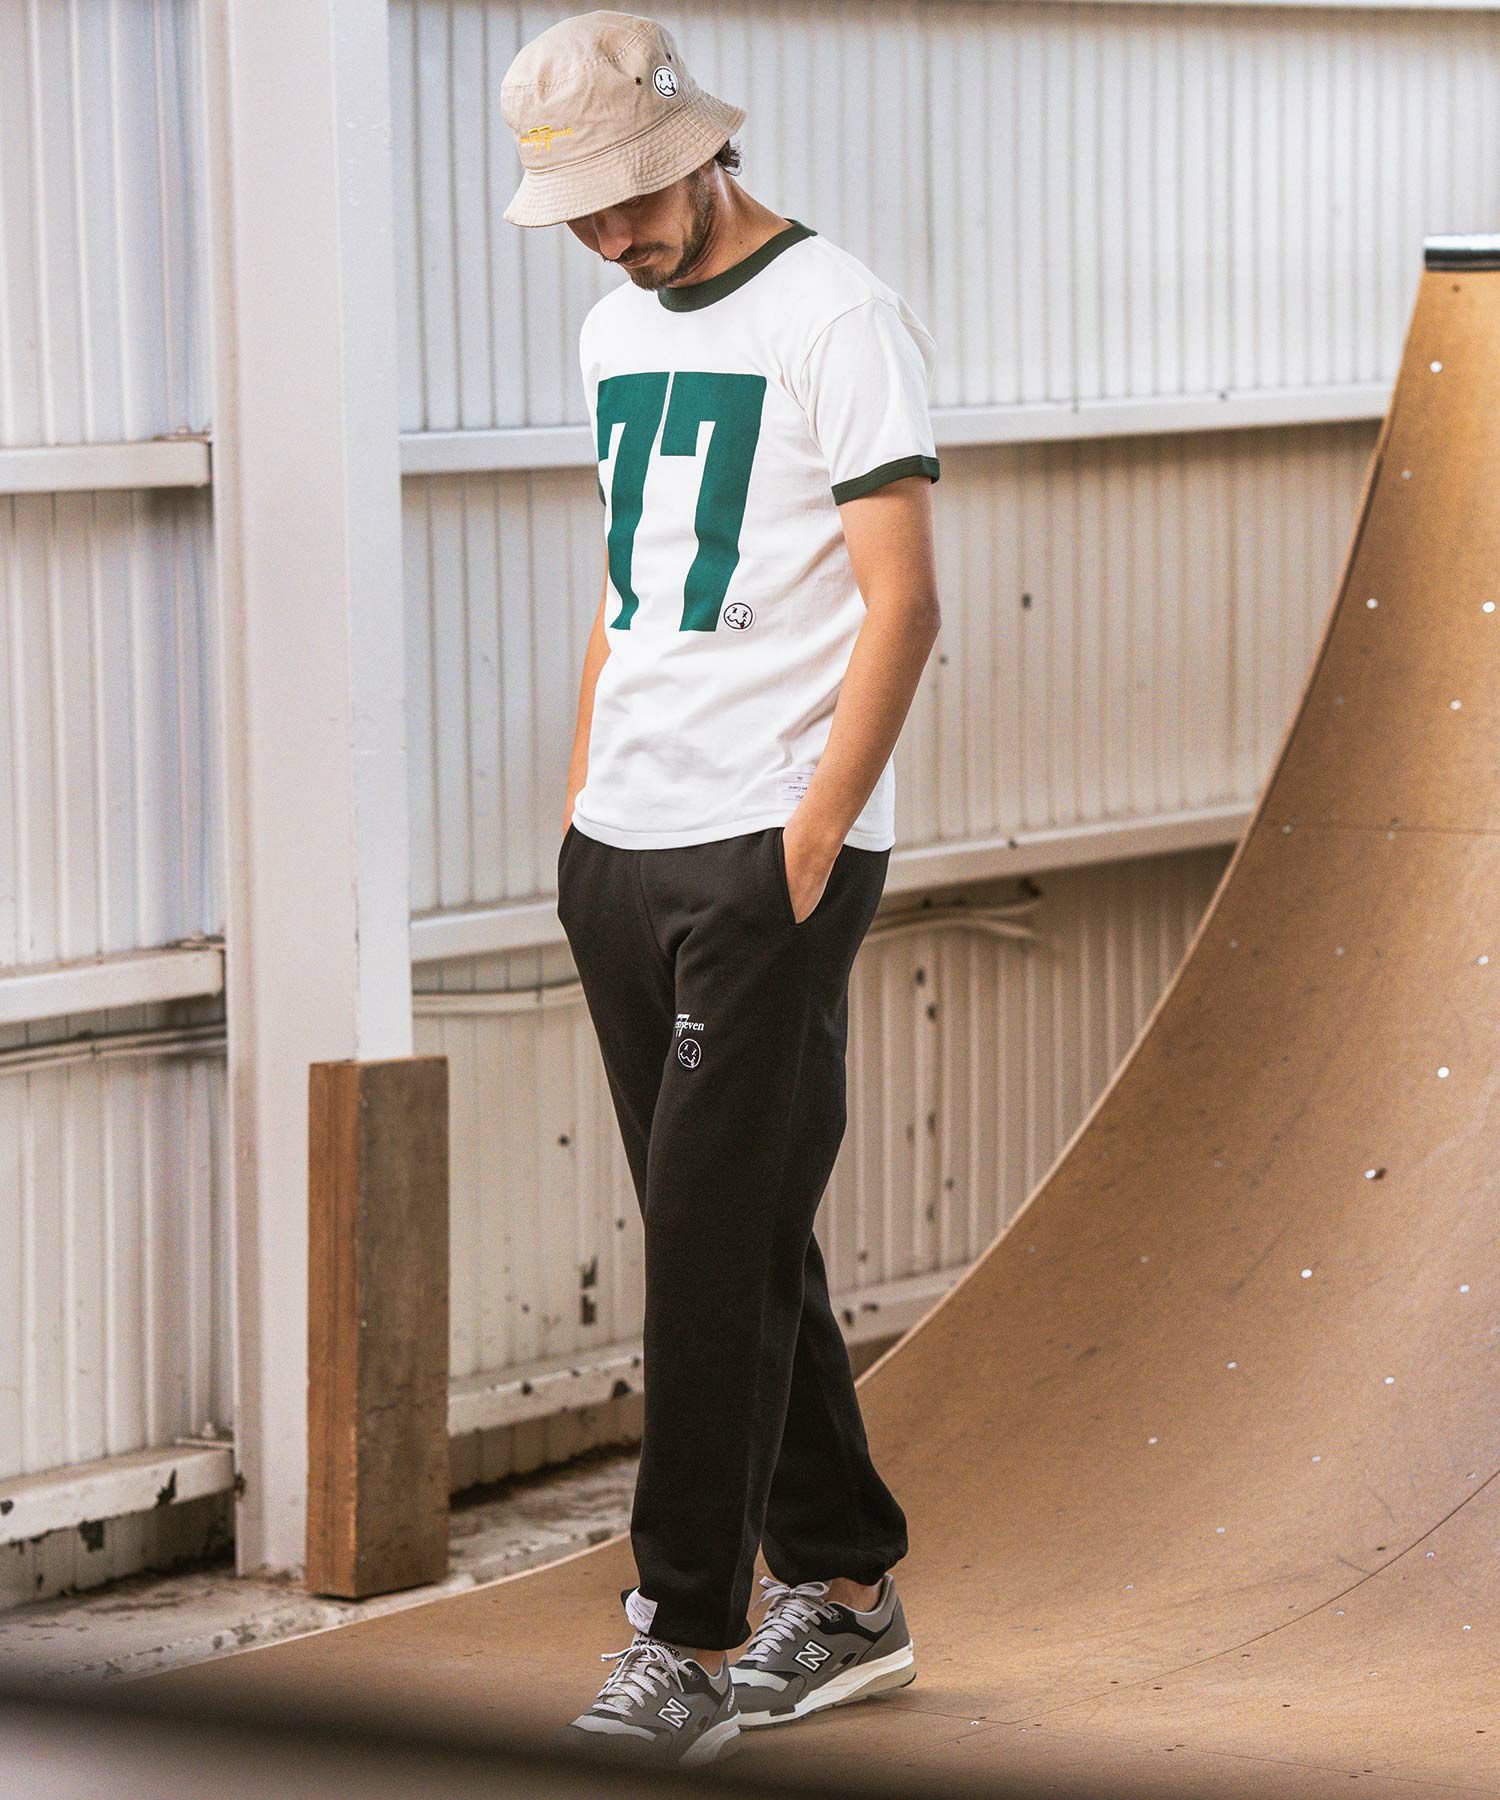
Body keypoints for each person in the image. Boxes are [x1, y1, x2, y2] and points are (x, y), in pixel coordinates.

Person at [501, 9, 942, 1768]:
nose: (612, 235)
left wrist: (811, 839)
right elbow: (633, 582)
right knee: (737, 1227)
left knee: (702, 1246)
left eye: (630, 196)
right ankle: (846, 1588)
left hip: (769, 846)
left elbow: (904, 601)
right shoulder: (613, 327)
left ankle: (682, 1635)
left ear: (698, 146)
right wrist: (581, 807)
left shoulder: (837, 313)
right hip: (622, 844)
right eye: (581, 213)